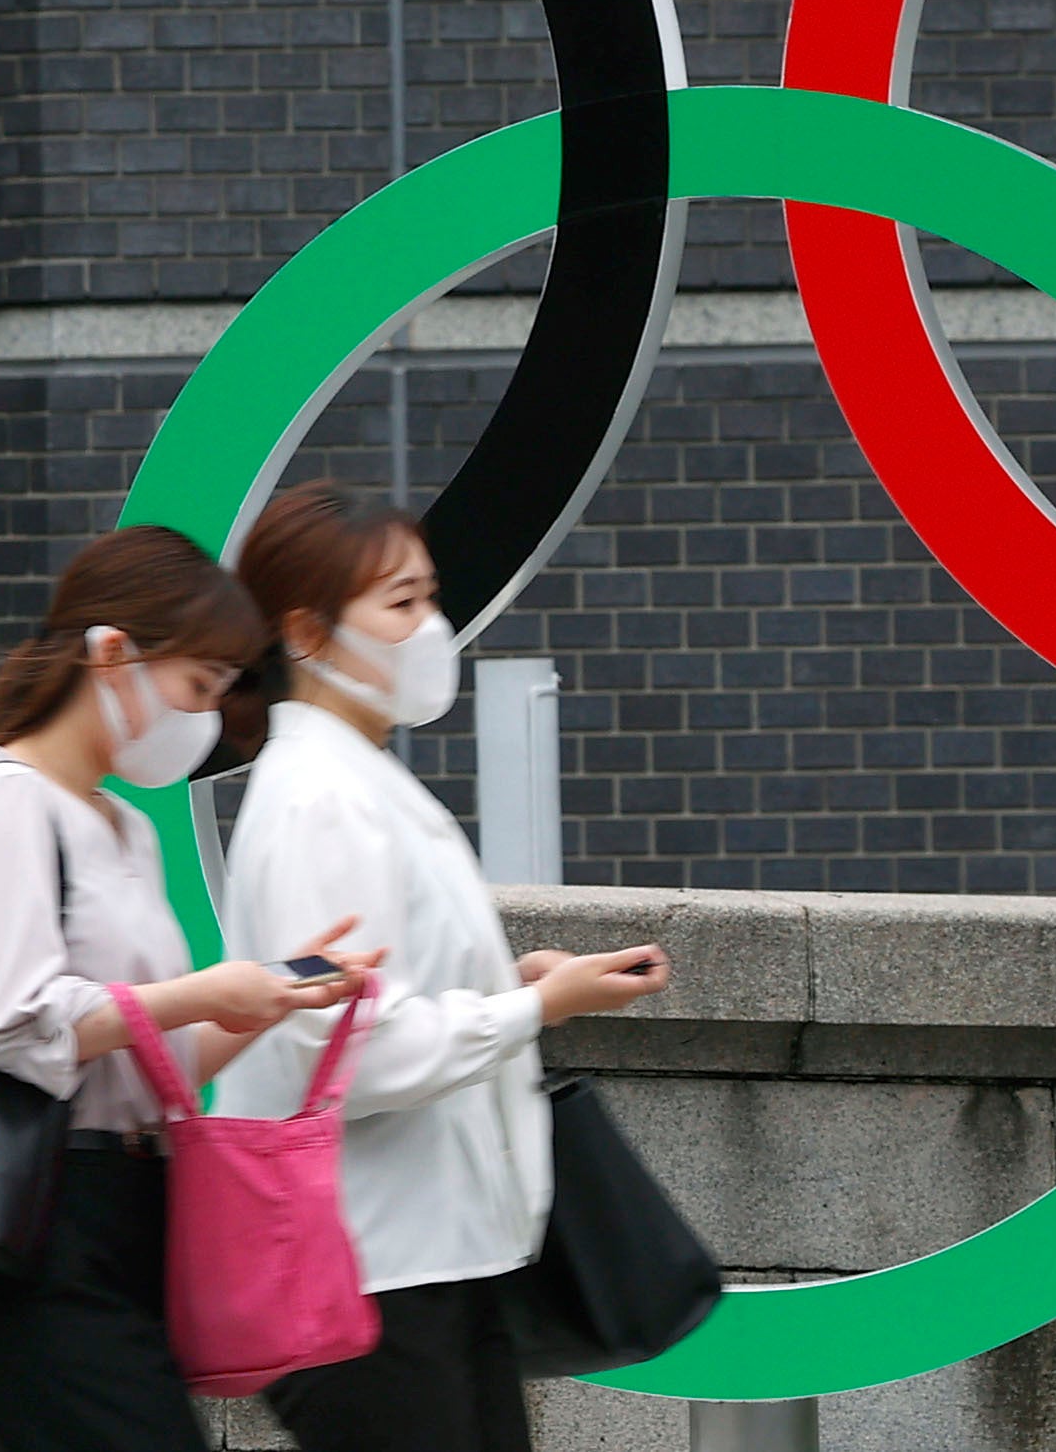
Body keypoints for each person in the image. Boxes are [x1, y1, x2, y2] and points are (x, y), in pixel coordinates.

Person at [0, 524, 382, 1452]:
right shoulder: (6, 800)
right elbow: (17, 1022)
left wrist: (271, 995)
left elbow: (157, 1056)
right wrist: (205, 994)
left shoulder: (127, 828)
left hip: (128, 1214)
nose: (203, 717)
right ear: (112, 653)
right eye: (197, 684)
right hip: (36, 1225)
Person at [218, 482, 672, 1452]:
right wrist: (533, 1009)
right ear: (303, 632)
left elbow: (370, 1013)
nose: (432, 628)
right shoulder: (321, 803)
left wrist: (515, 993)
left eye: (429, 597)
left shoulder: (356, 782)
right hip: (372, 1277)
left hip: (424, 1265)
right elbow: (350, 1057)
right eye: (401, 604)